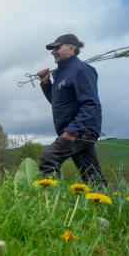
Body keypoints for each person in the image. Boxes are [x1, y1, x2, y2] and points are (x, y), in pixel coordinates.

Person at [36, 33, 107, 187]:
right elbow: (57, 103)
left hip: (79, 131)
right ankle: (104, 203)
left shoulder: (82, 70)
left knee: (49, 158)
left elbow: (91, 104)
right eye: (52, 49)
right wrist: (45, 82)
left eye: (57, 47)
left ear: (72, 48)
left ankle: (50, 202)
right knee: (91, 175)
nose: (53, 51)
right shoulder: (61, 73)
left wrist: (73, 130)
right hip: (71, 131)